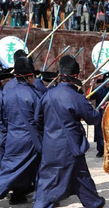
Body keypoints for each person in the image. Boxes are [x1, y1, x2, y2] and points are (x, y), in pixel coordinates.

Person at [33, 55, 105, 208]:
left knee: (70, 177)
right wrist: (97, 110)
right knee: (78, 176)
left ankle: (94, 203)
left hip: (50, 145)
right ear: (76, 76)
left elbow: (37, 119)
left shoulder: (48, 94)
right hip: (71, 146)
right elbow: (93, 119)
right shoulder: (76, 97)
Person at [0, 57, 41, 204]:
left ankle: (19, 195)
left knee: (12, 169)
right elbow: (39, 119)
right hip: (29, 138)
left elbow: (3, 118)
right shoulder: (34, 94)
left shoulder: (7, 92)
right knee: (9, 174)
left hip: (12, 136)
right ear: (30, 76)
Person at [89, 72, 109, 158]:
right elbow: (90, 96)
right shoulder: (99, 89)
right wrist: (92, 86)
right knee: (100, 133)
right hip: (100, 114)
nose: (108, 83)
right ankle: (100, 150)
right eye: (107, 81)